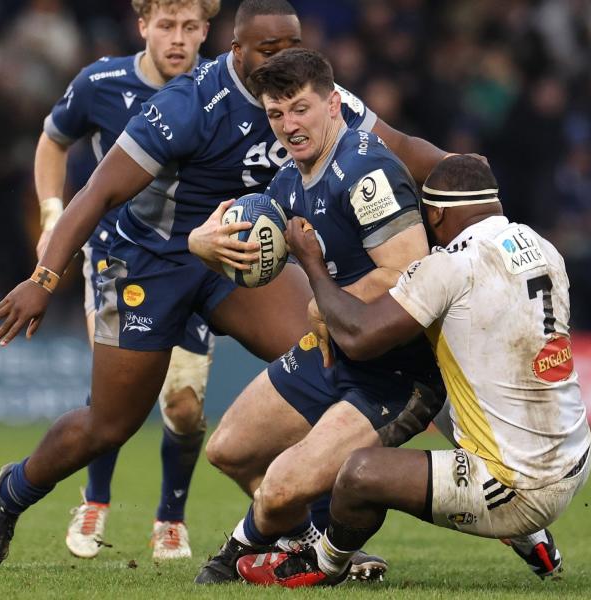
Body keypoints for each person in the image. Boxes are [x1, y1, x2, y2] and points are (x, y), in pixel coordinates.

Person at [0, 0, 451, 572]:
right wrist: (43, 279)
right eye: (266, 50)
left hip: (238, 261)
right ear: (235, 50)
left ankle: (319, 539)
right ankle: (11, 494)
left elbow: (401, 146)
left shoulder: (313, 98)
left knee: (332, 352)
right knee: (110, 423)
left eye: (290, 45)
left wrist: (470, 180)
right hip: (148, 261)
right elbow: (97, 192)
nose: (282, 59)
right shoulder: (188, 104)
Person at [236, 154, 591, 587]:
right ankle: (529, 536)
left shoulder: (449, 266)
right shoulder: (542, 246)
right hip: (576, 456)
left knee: (358, 474)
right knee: (450, 378)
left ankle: (324, 564)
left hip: (516, 483)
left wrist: (312, 264)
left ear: (437, 212)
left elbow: (359, 337)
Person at [191, 47, 445, 585]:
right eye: (276, 115)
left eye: (300, 109)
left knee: (281, 487)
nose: (289, 126)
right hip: (335, 353)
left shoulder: (365, 169)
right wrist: (203, 242)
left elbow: (411, 271)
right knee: (228, 450)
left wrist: (323, 301)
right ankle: (320, 548)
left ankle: (235, 554)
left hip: (397, 372)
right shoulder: (290, 182)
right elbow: (251, 229)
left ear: (334, 105)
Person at [34, 0, 219, 561]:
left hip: (196, 263)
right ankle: (95, 500)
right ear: (143, 26)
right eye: (167, 26)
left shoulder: (221, 90)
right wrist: (50, 215)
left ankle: (171, 517)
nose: (178, 39)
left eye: (191, 27)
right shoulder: (101, 82)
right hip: (116, 258)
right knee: (113, 386)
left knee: (184, 406)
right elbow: (52, 142)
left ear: (207, 30)